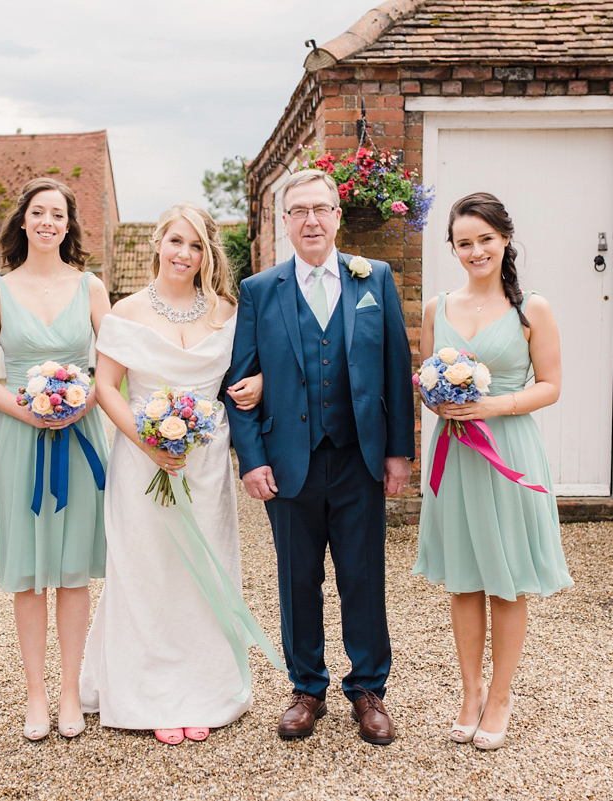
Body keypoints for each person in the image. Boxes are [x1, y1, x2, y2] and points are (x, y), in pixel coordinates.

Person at [226, 169, 414, 746]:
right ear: (284, 222)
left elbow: (396, 371)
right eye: (298, 210)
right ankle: (306, 687)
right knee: (296, 579)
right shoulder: (260, 290)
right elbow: (239, 382)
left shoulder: (374, 279)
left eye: (321, 208)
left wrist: (399, 453)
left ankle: (367, 690)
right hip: (288, 463)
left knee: (363, 577)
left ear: (337, 216)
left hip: (359, 458)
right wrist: (252, 460)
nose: (311, 219)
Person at [79, 202, 268, 746]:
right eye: (176, 242)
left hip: (204, 463)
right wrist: (148, 444)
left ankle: (203, 690)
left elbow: (248, 378)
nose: (184, 254)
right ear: (158, 244)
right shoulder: (127, 310)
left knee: (202, 571)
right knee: (147, 570)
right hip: (141, 462)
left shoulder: (228, 312)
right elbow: (105, 389)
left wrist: (258, 387)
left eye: (196, 246)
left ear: (208, 254)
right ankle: (150, 694)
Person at [412, 192, 572, 751]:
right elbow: (427, 382)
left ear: (505, 239)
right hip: (454, 452)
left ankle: (502, 695)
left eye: (485, 239)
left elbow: (550, 386)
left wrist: (490, 406)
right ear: (453, 249)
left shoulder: (534, 309)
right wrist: (440, 402)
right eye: (464, 243)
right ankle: (470, 691)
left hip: (508, 451)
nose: (475, 250)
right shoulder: (438, 308)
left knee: (505, 578)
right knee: (464, 576)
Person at [0, 178, 111, 741]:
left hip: (80, 434)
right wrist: (28, 411)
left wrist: (82, 402)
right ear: (22, 222)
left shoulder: (91, 286)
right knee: (28, 572)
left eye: (58, 214)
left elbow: (112, 363)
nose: (48, 221)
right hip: (19, 436)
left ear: (68, 225)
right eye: (38, 213)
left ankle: (71, 691)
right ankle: (35, 694)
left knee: (73, 569)